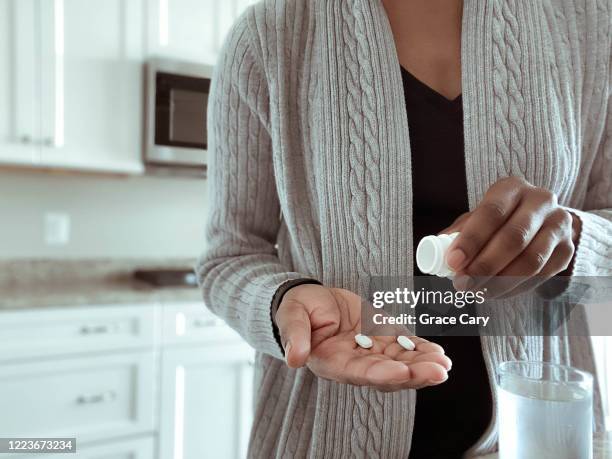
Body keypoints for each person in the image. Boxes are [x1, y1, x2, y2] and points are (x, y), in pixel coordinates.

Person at [196, 0, 611, 457]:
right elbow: (228, 256)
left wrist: (573, 239)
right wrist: (284, 301)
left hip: (542, 434)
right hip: (327, 437)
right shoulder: (268, 36)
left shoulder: (593, 28)